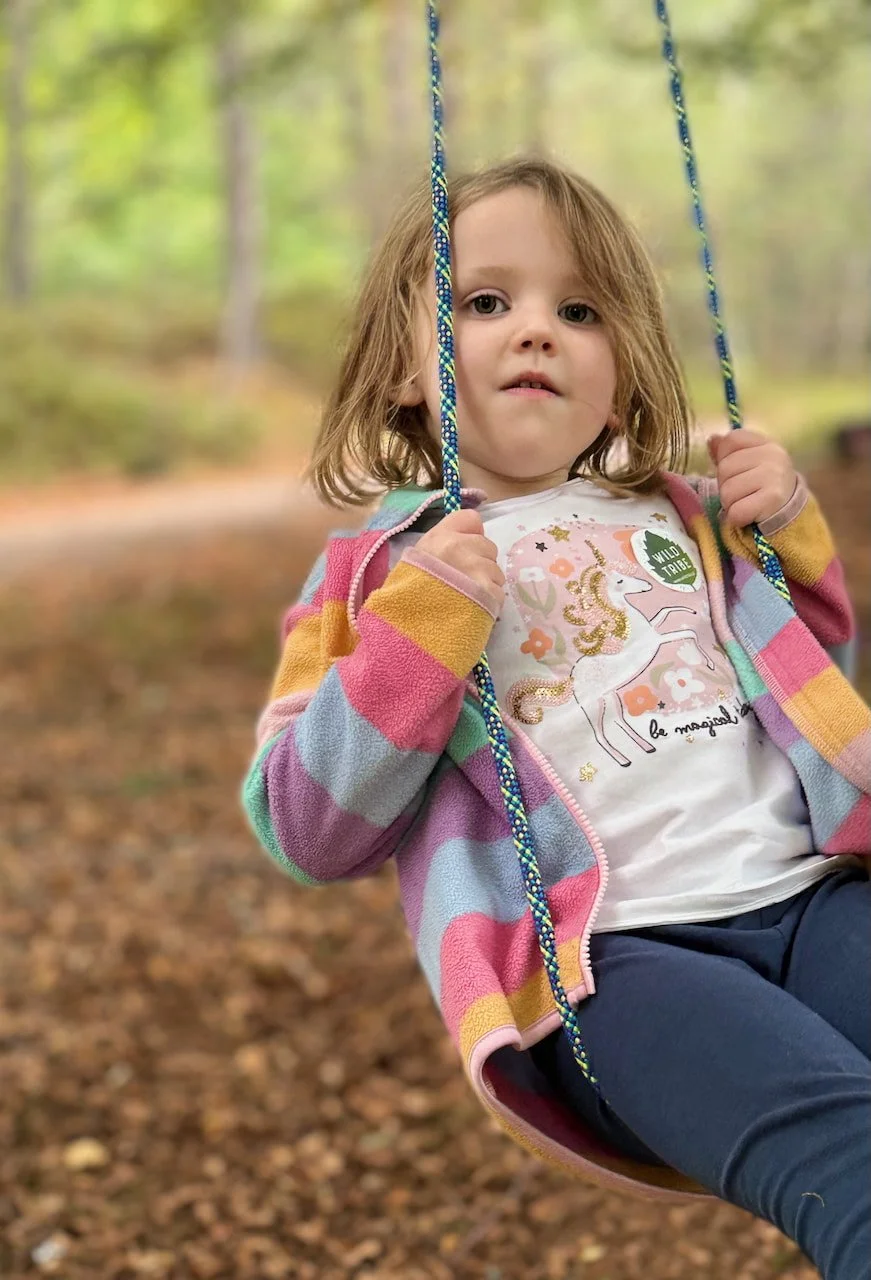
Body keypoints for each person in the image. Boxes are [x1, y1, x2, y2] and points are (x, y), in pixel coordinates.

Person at [243, 158, 871, 1278]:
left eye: (578, 309)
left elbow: (815, 690)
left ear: (622, 374)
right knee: (851, 1152)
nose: (535, 331)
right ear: (401, 366)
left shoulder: (686, 510)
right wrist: (422, 623)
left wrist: (792, 537)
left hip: (816, 900)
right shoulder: (375, 570)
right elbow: (306, 821)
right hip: (617, 965)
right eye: (486, 302)